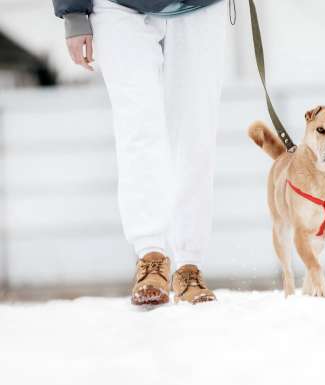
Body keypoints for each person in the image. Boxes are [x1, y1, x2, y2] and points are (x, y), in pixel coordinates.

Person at [52, 0, 228, 305]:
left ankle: (188, 264)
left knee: (195, 130)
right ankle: (151, 257)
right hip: (118, 7)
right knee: (138, 127)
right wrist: (73, 11)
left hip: (201, 7)